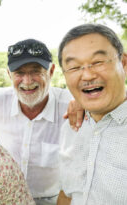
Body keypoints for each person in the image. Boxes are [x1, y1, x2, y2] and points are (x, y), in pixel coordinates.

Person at [0, 39, 73, 205]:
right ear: (9, 74)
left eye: (36, 71)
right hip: (4, 198)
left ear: (51, 71)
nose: (27, 81)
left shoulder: (72, 105)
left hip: (52, 200)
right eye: (19, 73)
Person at [57, 24, 127, 205]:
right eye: (73, 67)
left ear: (124, 63)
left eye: (97, 62)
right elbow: (67, 193)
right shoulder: (71, 125)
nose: (87, 75)